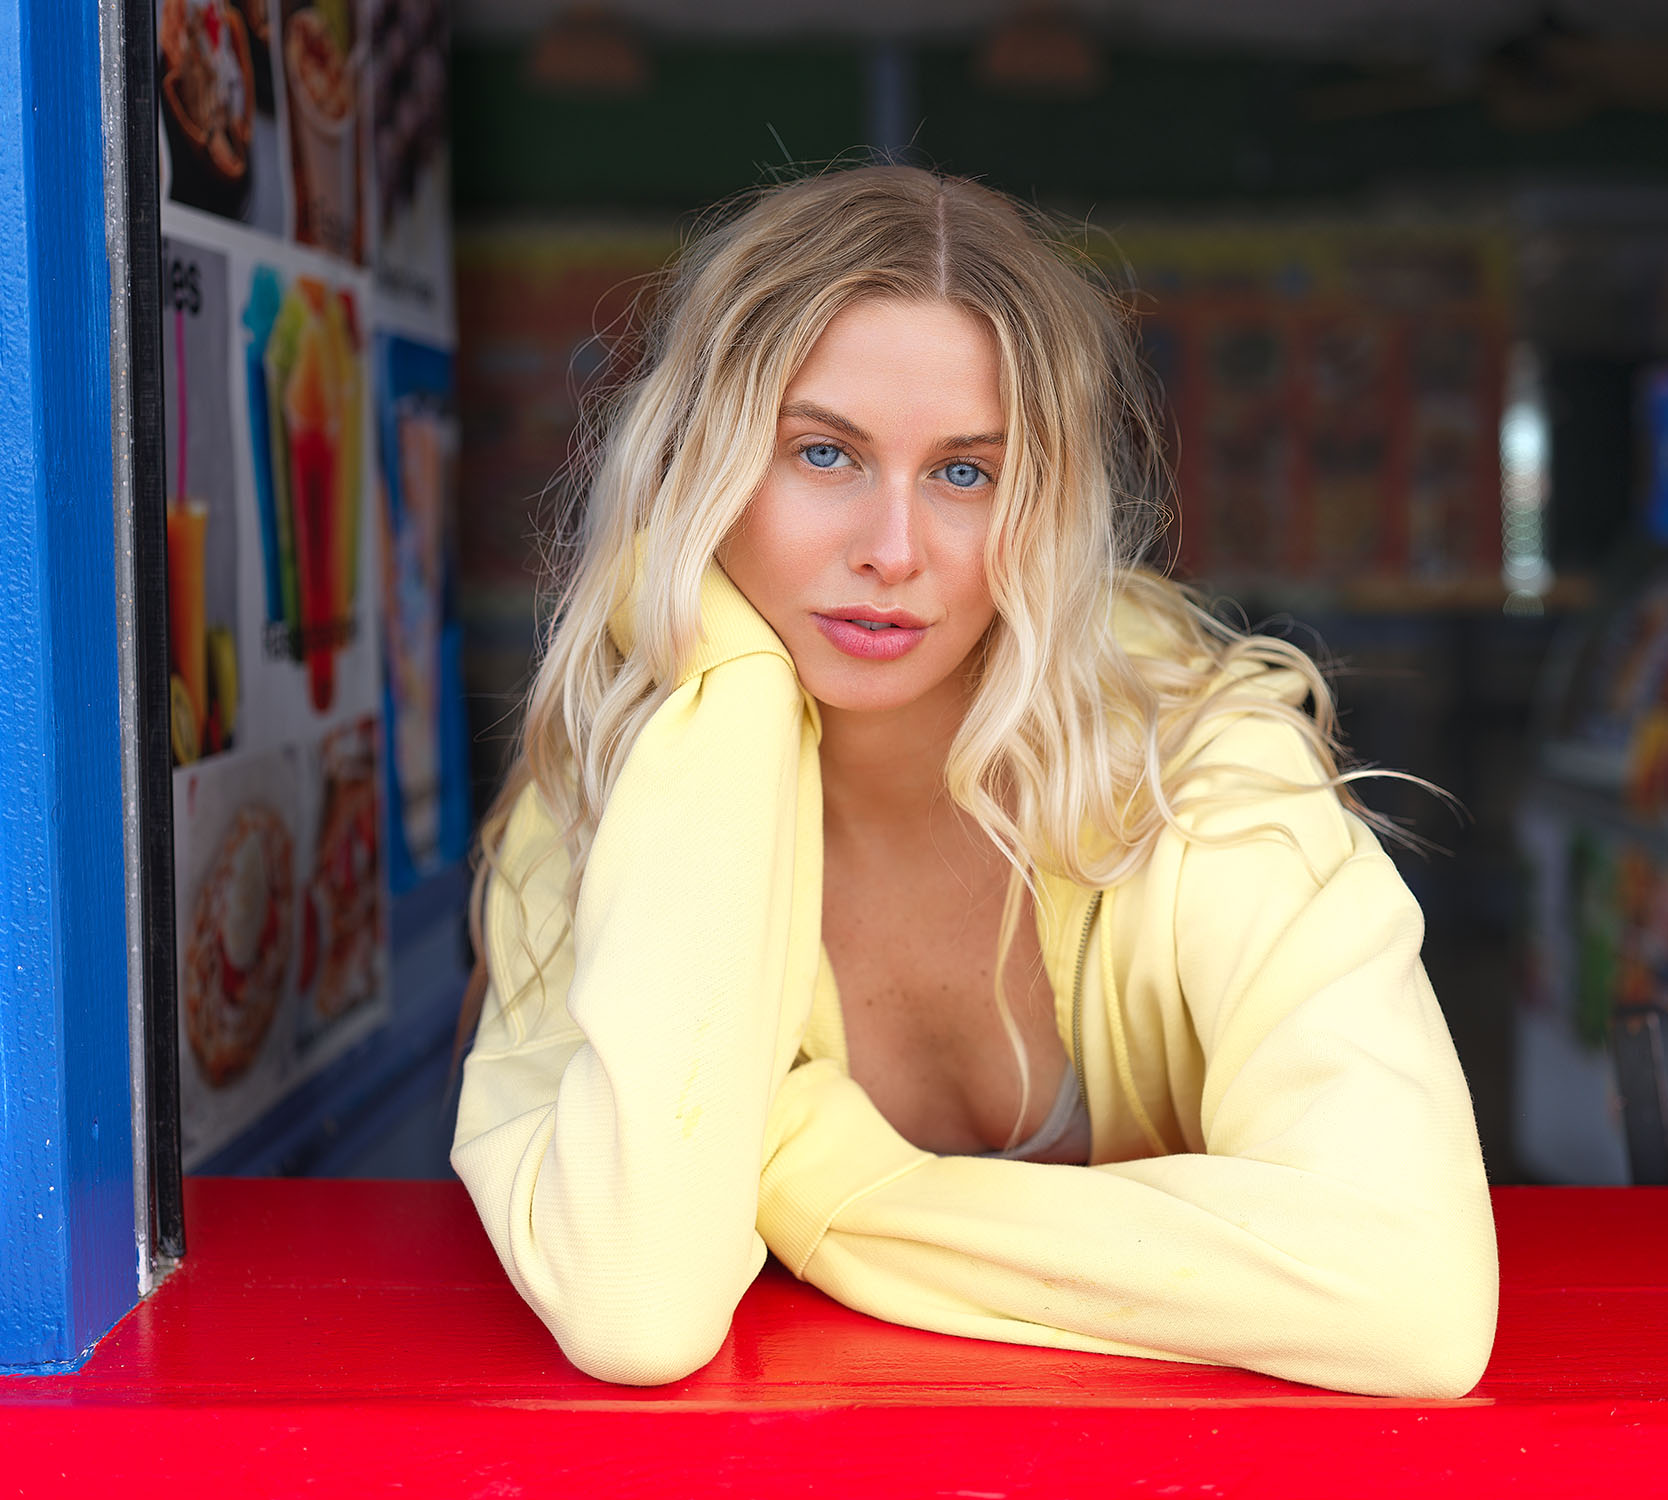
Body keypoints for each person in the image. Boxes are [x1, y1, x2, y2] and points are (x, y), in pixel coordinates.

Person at [451, 165, 1498, 1397]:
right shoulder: (601, 803)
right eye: (822, 453)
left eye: (965, 474)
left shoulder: (1196, 774)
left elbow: (1412, 1298)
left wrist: (811, 1174)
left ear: (1044, 509)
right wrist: (725, 685)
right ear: (696, 472)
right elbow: (636, 1308)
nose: (891, 551)